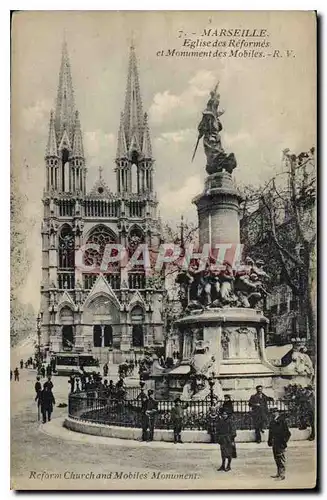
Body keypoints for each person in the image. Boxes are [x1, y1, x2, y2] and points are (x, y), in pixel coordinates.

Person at [268, 407, 291, 480]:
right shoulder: (272, 422)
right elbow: (270, 433)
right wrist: (269, 441)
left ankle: (282, 475)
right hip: (274, 443)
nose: (273, 414)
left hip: (280, 443)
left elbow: (288, 433)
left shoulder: (282, 421)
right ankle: (278, 473)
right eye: (272, 412)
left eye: (274, 412)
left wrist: (284, 441)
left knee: (281, 459)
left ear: (277, 412)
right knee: (276, 458)